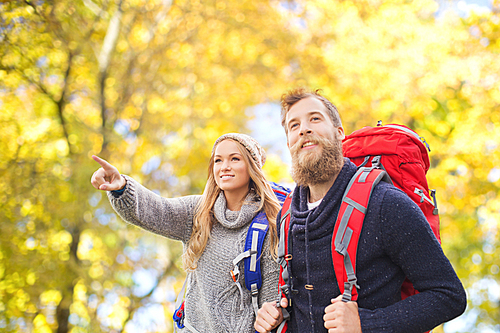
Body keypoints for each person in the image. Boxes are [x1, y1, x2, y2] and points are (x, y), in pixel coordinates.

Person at [254, 88, 467, 333]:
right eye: (294, 125)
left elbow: (449, 295)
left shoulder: (385, 204)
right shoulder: (288, 214)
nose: (304, 129)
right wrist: (275, 313)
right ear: (290, 143)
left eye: (315, 118)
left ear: (339, 133)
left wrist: (366, 324)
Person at [91, 133, 284, 333]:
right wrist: (121, 187)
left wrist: (273, 314)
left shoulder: (269, 224)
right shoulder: (198, 212)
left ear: (252, 167)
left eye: (235, 159)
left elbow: (271, 300)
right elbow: (157, 210)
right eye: (218, 160)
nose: (224, 166)